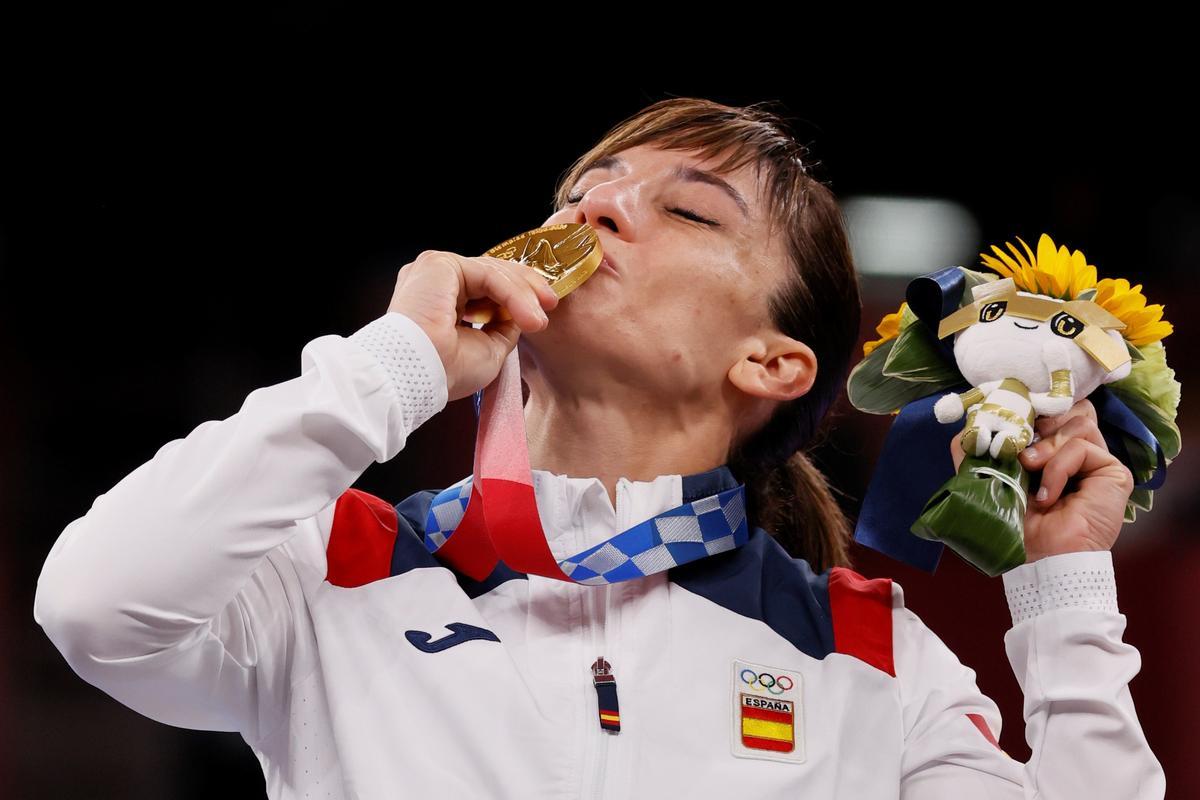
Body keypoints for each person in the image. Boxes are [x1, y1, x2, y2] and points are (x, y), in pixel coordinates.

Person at [33, 97, 1166, 798]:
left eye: (690, 210)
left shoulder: (869, 654)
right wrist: (390, 368)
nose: (597, 212)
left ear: (771, 363)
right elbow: (96, 606)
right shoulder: (341, 567)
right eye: (584, 193)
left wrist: (1062, 587)